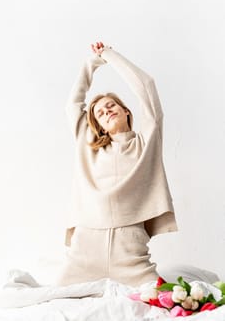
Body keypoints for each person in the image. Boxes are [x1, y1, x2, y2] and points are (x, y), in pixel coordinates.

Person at [55, 42, 178, 287]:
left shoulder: (146, 143)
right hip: (84, 251)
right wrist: (92, 64)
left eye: (111, 105)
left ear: (126, 111)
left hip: (130, 252)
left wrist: (110, 55)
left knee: (166, 300)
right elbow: (72, 105)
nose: (107, 111)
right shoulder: (87, 144)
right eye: (100, 112)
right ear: (97, 126)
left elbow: (147, 86)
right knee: (46, 304)